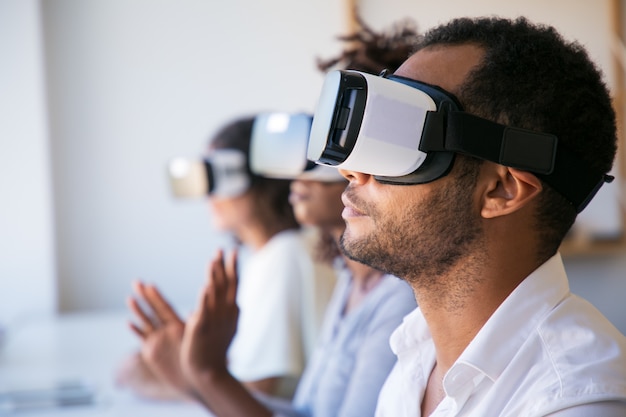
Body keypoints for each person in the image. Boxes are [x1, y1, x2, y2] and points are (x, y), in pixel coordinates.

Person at [306, 16, 626, 416]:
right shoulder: (415, 358)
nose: (352, 170)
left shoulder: (573, 402)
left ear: (501, 189)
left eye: (403, 140)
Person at [123, 16, 421, 417]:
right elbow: (305, 412)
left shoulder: (399, 298)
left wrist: (207, 375)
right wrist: (191, 379)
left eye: (338, 139)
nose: (306, 167)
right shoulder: (353, 281)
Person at [116, 115, 336, 401]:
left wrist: (169, 380)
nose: (208, 195)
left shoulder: (284, 255)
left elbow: (260, 388)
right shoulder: (271, 254)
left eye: (216, 177)